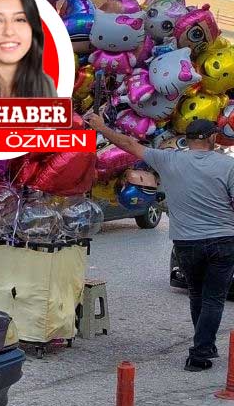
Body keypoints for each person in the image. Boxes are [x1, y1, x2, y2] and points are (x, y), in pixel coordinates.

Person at [88, 114, 234, 371]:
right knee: (213, 298)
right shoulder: (227, 166)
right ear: (213, 138)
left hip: (186, 241)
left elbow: (129, 144)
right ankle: (200, 353)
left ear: (186, 140)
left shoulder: (168, 159)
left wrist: (101, 127)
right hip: (222, 240)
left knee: (198, 295)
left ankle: (205, 345)